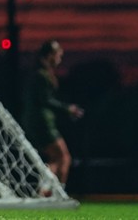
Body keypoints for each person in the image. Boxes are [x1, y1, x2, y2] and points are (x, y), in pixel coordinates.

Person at [21, 39, 84, 186]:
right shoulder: (41, 75)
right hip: (42, 123)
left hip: (34, 122)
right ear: (50, 55)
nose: (59, 59)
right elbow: (45, 100)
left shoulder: (37, 73)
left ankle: (46, 192)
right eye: (58, 55)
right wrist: (68, 109)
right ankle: (56, 192)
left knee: (56, 159)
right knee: (64, 157)